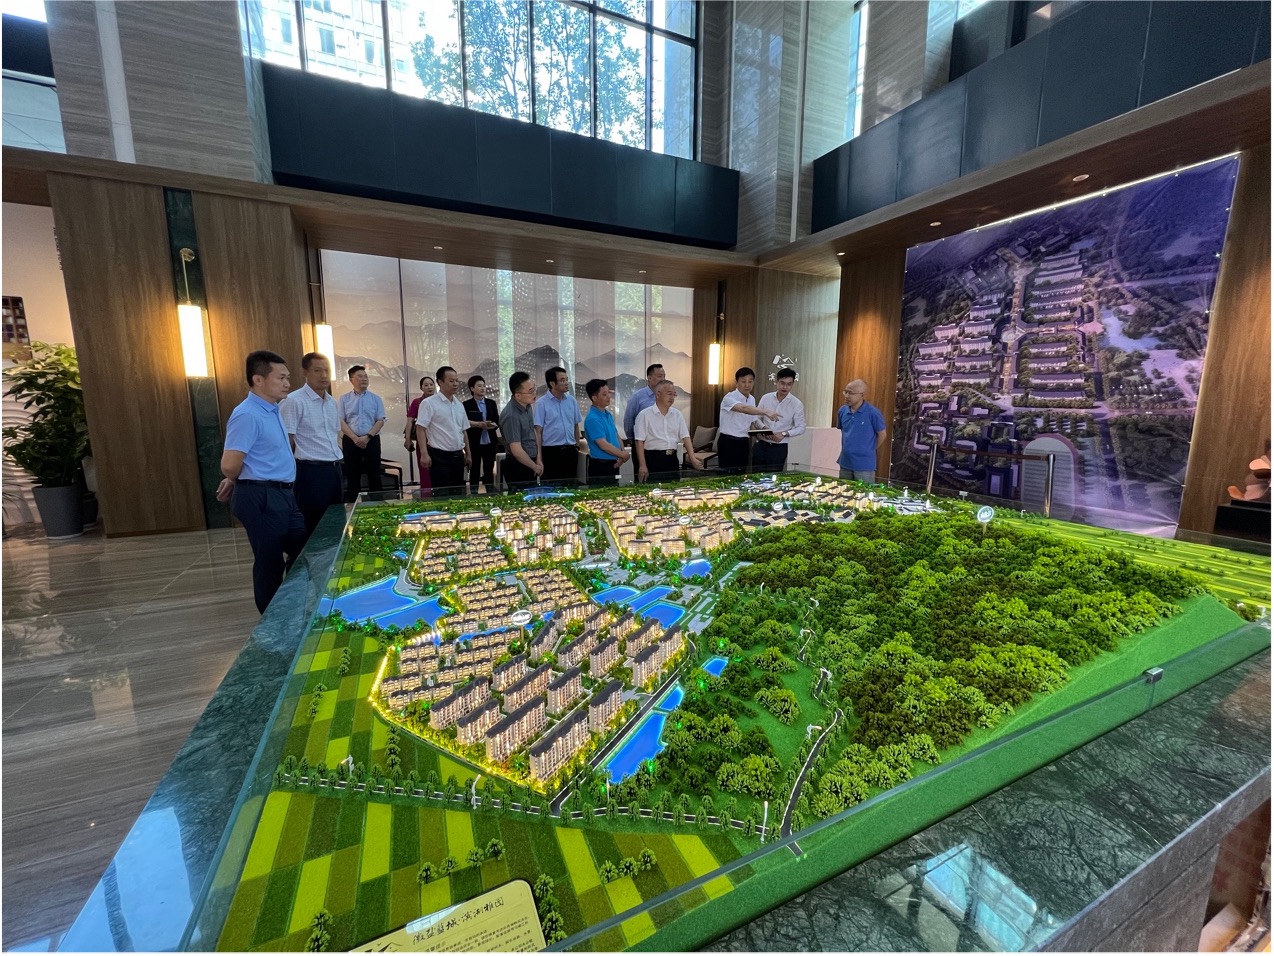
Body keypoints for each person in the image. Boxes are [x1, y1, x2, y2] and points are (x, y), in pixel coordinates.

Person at [216, 350, 306, 614]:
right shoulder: (247, 414)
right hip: (262, 496)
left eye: (288, 377)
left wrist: (237, 479)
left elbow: (257, 456)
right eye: (281, 377)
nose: (287, 383)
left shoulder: (272, 409)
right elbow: (229, 464)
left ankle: (290, 605)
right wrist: (237, 479)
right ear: (258, 379)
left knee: (303, 548)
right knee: (270, 561)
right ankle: (272, 621)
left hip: (282, 494)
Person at [279, 352, 343, 541]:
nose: (324, 375)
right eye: (317, 371)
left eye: (327, 371)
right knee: (313, 523)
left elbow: (334, 436)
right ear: (305, 372)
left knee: (335, 522)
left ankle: (331, 557)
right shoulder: (294, 401)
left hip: (335, 469)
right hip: (310, 472)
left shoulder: (332, 402)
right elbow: (286, 441)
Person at [416, 366, 472, 496]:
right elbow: (420, 428)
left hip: (458, 456)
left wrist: (468, 453)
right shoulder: (429, 403)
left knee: (459, 494)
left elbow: (463, 431)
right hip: (439, 456)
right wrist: (424, 453)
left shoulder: (459, 404)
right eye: (451, 381)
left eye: (457, 380)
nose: (455, 384)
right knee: (442, 494)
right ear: (440, 382)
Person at [634, 380, 703, 482]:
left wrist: (692, 458)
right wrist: (642, 465)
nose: (672, 397)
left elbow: (686, 437)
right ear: (658, 394)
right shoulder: (645, 415)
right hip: (653, 459)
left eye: (674, 394)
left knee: (673, 488)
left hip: (672, 458)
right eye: (669, 394)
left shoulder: (677, 414)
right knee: (653, 489)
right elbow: (639, 441)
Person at [338, 365, 386, 502]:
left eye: (365, 376)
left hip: (371, 439)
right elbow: (340, 420)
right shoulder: (344, 399)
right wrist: (354, 438)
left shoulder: (376, 398)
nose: (364, 379)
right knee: (352, 474)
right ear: (351, 379)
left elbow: (380, 420)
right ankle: (353, 504)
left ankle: (377, 504)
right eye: (360, 376)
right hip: (350, 440)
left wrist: (367, 437)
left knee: (374, 473)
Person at [717, 366, 779, 472]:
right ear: (736, 383)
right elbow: (744, 409)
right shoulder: (729, 398)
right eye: (743, 381)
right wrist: (766, 412)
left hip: (744, 442)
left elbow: (753, 419)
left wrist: (764, 429)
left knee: (742, 473)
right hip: (729, 442)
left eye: (750, 381)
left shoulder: (751, 399)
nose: (747, 385)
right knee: (727, 474)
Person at [534, 365, 582, 485]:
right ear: (552, 384)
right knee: (552, 487)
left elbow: (576, 426)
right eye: (562, 380)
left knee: (571, 487)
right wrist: (539, 457)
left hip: (570, 451)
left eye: (566, 379)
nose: (566, 383)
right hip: (551, 453)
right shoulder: (541, 403)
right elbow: (538, 432)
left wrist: (577, 446)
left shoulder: (571, 401)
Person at [753, 367, 806, 472]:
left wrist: (784, 434)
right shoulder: (766, 398)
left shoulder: (796, 404)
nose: (785, 387)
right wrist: (764, 428)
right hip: (761, 445)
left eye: (789, 384)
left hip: (779, 448)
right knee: (755, 476)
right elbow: (755, 417)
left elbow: (801, 427)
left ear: (792, 384)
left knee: (773, 477)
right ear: (776, 382)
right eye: (782, 383)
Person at [836, 378, 887, 482]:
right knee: (843, 491)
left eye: (851, 393)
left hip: (864, 465)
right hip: (845, 462)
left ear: (862, 395)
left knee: (864, 491)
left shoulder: (873, 413)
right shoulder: (842, 411)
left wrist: (869, 448)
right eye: (845, 392)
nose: (847, 396)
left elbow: (882, 434)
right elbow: (843, 431)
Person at [500, 371, 542, 490]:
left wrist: (539, 459)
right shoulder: (511, 415)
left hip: (531, 462)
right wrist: (535, 467)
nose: (534, 393)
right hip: (518, 465)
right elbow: (517, 450)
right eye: (530, 391)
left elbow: (533, 432)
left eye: (534, 388)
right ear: (518, 395)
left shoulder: (527, 406)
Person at [583, 378, 629, 485]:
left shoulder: (607, 414)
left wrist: (622, 454)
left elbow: (616, 435)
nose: (608, 396)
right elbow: (603, 445)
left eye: (609, 392)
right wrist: (623, 455)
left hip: (613, 462)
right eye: (604, 394)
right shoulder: (593, 418)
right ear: (594, 398)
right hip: (601, 465)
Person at [463, 375, 500, 494]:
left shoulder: (491, 403)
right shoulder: (466, 404)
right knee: (474, 470)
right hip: (474, 441)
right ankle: (473, 493)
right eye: (479, 386)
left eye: (484, 385)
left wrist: (491, 425)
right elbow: (464, 423)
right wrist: (478, 424)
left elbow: (497, 421)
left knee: (489, 469)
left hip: (489, 440)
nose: (483, 388)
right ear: (472, 388)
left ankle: (490, 493)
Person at [404, 375, 436, 496]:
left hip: (439, 440)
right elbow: (410, 421)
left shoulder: (440, 401)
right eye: (426, 385)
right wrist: (407, 439)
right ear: (421, 388)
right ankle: (427, 497)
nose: (429, 387)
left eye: (431, 384)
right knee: (425, 470)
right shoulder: (417, 402)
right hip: (423, 441)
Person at [622, 363, 665, 441]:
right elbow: (628, 421)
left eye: (664, 376)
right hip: (642, 442)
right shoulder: (637, 396)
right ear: (649, 378)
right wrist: (633, 440)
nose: (663, 379)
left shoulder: (664, 396)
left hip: (662, 441)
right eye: (659, 376)